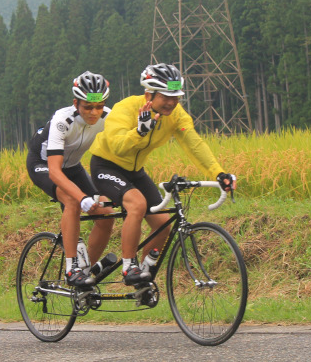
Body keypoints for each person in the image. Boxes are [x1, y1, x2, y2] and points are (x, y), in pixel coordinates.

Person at [89, 63, 236, 285]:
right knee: (136, 205)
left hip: (135, 172)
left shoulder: (175, 114)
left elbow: (193, 143)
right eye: (166, 97)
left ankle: (143, 274)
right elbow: (118, 146)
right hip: (106, 166)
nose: (171, 102)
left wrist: (218, 172)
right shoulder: (126, 108)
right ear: (149, 93)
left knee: (164, 224)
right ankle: (129, 268)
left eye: (175, 97)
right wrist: (140, 131)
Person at [26, 71, 116, 287]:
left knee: (106, 214)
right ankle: (71, 268)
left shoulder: (108, 117)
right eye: (87, 107)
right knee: (74, 201)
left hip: (74, 168)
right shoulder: (62, 120)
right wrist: (82, 197)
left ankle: (85, 275)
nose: (94, 112)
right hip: (43, 165)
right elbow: (55, 172)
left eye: (99, 106)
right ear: (76, 103)